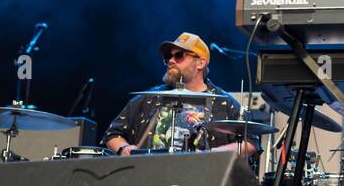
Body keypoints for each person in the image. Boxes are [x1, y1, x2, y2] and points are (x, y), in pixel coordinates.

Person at [103, 32, 245, 155]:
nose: (171, 60)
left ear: (201, 63)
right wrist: (124, 148)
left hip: (203, 179)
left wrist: (211, 155)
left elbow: (250, 143)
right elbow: (113, 134)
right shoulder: (148, 98)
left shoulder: (224, 103)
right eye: (168, 57)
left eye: (179, 55)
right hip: (149, 178)